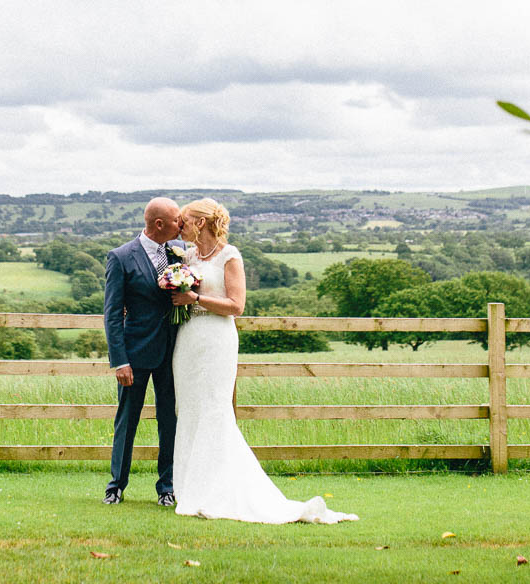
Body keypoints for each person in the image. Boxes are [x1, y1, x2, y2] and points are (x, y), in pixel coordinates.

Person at [167, 197, 358, 524]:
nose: (178, 228)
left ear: (200, 223)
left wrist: (195, 297)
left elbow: (236, 305)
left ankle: (219, 490)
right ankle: (189, 488)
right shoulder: (188, 256)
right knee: (189, 410)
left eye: (183, 222)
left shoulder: (230, 256)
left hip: (216, 339)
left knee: (215, 409)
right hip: (188, 340)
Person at [102, 196, 185, 505]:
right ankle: (116, 485)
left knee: (169, 421)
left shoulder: (178, 255)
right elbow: (112, 314)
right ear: (159, 224)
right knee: (127, 420)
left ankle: (167, 488)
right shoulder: (121, 257)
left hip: (172, 354)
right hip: (134, 355)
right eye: (177, 219)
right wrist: (119, 360)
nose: (182, 224)